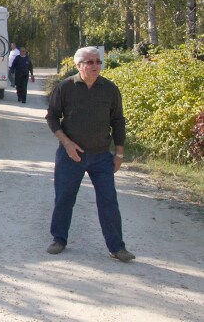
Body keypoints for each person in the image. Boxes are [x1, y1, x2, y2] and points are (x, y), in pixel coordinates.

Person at [45, 46, 135, 263]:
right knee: (64, 199)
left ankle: (117, 247)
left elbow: (118, 121)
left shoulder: (110, 89)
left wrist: (119, 153)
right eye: (90, 62)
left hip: (102, 156)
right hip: (71, 155)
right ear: (78, 66)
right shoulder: (65, 87)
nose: (96, 66)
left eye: (98, 62)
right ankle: (59, 239)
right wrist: (67, 143)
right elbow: (52, 117)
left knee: (109, 201)